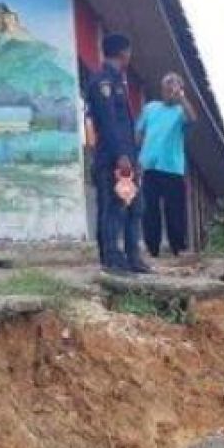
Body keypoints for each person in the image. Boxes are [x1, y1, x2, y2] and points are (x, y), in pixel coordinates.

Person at [86, 34, 150, 274]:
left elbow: (124, 125)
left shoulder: (118, 82)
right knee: (114, 207)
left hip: (127, 158)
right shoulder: (103, 82)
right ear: (124, 53)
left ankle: (134, 257)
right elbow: (108, 122)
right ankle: (112, 258)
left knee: (134, 206)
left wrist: (134, 157)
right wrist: (121, 155)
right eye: (129, 53)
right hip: (114, 159)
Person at [137, 72, 197, 257]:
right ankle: (152, 248)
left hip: (172, 169)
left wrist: (182, 98)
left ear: (180, 89)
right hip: (150, 167)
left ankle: (178, 248)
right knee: (149, 210)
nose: (169, 91)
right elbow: (139, 132)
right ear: (161, 89)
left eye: (174, 87)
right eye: (167, 87)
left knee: (174, 211)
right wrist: (139, 155)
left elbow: (193, 118)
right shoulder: (150, 108)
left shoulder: (181, 111)